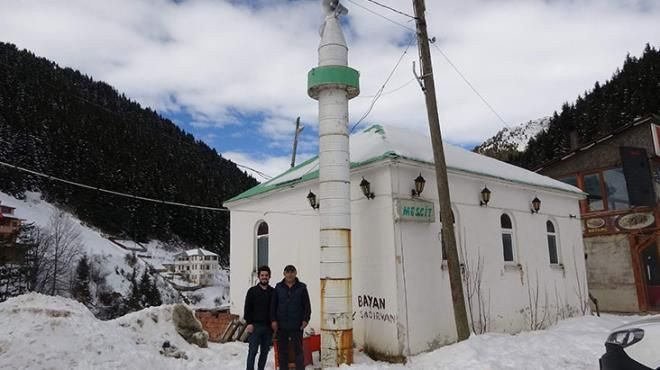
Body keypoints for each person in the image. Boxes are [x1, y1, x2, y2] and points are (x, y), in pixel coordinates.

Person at [271, 265, 311, 370]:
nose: (290, 274)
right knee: (282, 351)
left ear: (295, 273)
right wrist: (274, 320)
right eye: (287, 272)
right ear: (284, 274)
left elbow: (307, 306)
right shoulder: (278, 287)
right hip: (281, 326)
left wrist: (305, 320)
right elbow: (273, 306)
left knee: (298, 351)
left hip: (297, 326)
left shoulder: (302, 287)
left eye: (292, 272)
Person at [244, 265, 274, 370]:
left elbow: (275, 309)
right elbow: (247, 308)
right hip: (255, 327)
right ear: (258, 276)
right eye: (262, 275)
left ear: (269, 276)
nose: (264, 277)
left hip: (268, 327)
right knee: (252, 351)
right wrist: (249, 323)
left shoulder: (273, 292)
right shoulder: (252, 291)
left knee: (265, 352)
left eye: (266, 275)